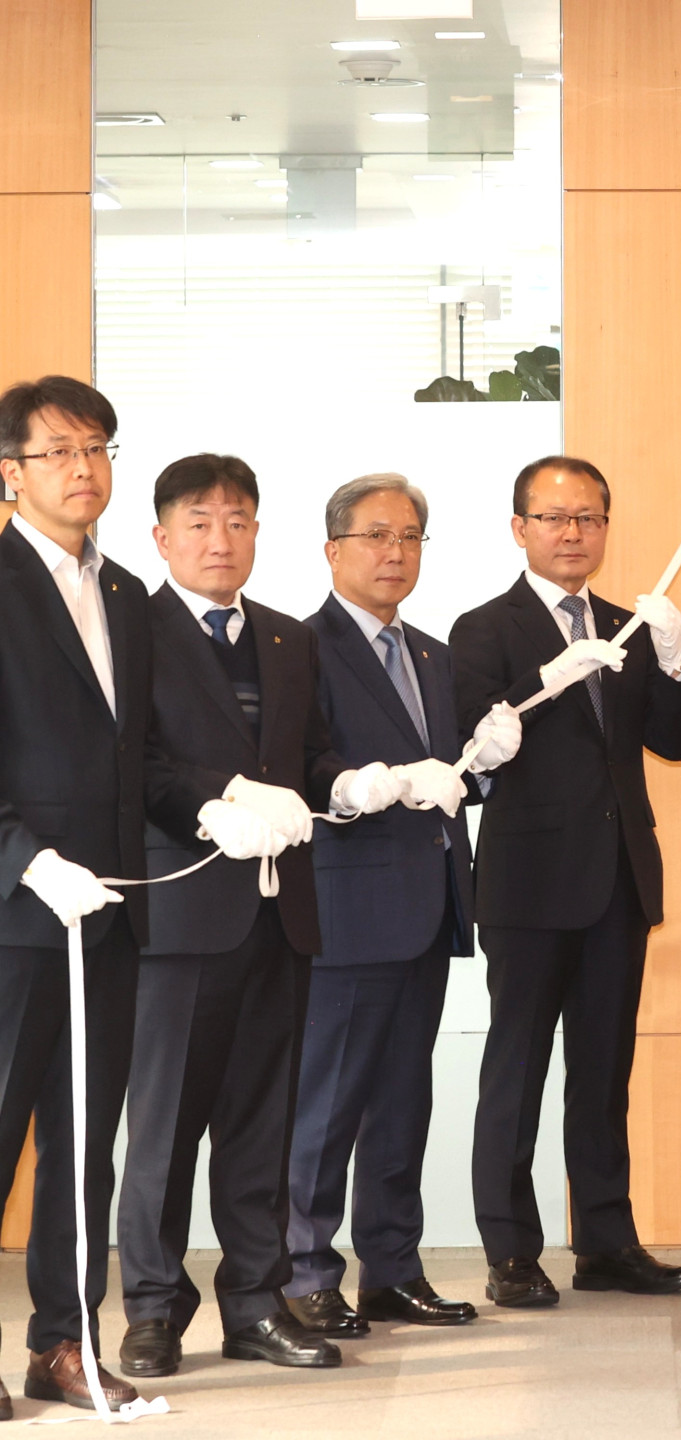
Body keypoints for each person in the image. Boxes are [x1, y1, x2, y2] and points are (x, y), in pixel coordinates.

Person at [119, 454, 422, 1378]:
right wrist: (215, 799)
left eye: (238, 521)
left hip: (282, 914)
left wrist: (353, 783)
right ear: (162, 537)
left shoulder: (289, 638)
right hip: (181, 917)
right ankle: (153, 1309)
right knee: (167, 1130)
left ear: (258, 532)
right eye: (200, 522)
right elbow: (133, 763)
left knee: (262, 1125)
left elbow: (309, 756)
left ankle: (256, 1303)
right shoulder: (133, 631)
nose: (221, 540)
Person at [451, 455, 681, 1307]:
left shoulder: (627, 627)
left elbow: (677, 740)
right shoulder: (483, 629)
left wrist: (672, 658)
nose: (572, 533)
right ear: (519, 528)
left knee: (602, 1073)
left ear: (605, 528)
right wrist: (543, 685)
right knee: (516, 1071)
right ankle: (510, 1252)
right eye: (554, 518)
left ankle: (605, 1242)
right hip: (528, 887)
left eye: (588, 518)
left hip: (618, 881)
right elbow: (469, 745)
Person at [282, 474, 522, 1340]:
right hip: (347, 910)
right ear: (332, 549)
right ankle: (305, 1274)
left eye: (411, 537)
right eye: (377, 536)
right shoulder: (300, 647)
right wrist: (361, 784)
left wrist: (483, 764)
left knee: (400, 1101)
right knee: (328, 1103)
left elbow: (447, 775)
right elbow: (303, 768)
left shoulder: (429, 652)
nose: (395, 552)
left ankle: (391, 1269)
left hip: (428, 904)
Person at [0, 377, 152, 1414]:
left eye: (96, 447)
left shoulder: (126, 593)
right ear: (11, 473)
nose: (83, 468)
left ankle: (65, 1346)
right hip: (15, 915)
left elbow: (141, 754)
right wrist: (24, 857)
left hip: (105, 916)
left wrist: (223, 800)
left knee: (84, 1147)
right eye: (58, 451)